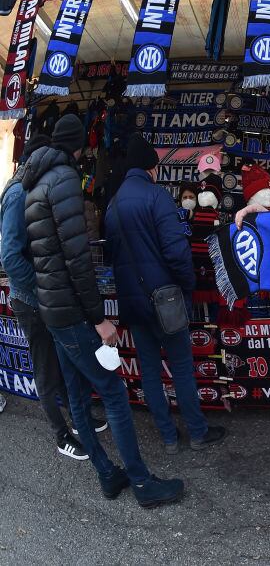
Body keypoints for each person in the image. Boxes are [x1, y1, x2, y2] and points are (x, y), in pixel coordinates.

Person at [22, 115, 183, 507]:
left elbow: (43, 255)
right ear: (79, 147)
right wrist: (98, 318)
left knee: (77, 395)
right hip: (73, 312)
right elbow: (77, 258)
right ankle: (142, 483)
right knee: (112, 391)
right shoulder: (62, 181)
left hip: (52, 308)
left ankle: (107, 474)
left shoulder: (32, 183)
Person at [104, 134, 226, 454]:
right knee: (181, 368)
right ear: (151, 168)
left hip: (133, 302)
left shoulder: (113, 204)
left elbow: (111, 259)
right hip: (167, 300)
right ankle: (197, 432)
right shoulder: (157, 197)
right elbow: (177, 253)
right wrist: (187, 286)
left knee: (149, 371)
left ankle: (168, 437)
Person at [0, 133, 99, 460]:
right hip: (29, 300)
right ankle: (61, 435)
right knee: (45, 367)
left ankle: (78, 417)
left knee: (60, 361)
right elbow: (11, 257)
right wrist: (42, 287)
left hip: (40, 296)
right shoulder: (17, 195)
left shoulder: (29, 189)